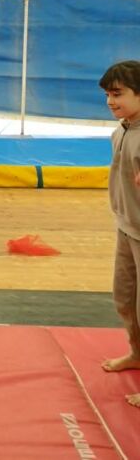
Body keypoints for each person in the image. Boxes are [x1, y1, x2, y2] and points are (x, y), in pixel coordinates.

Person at [99, 60, 140, 408]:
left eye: (118, 94)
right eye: (107, 95)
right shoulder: (122, 130)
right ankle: (137, 353)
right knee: (125, 299)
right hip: (127, 227)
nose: (111, 101)